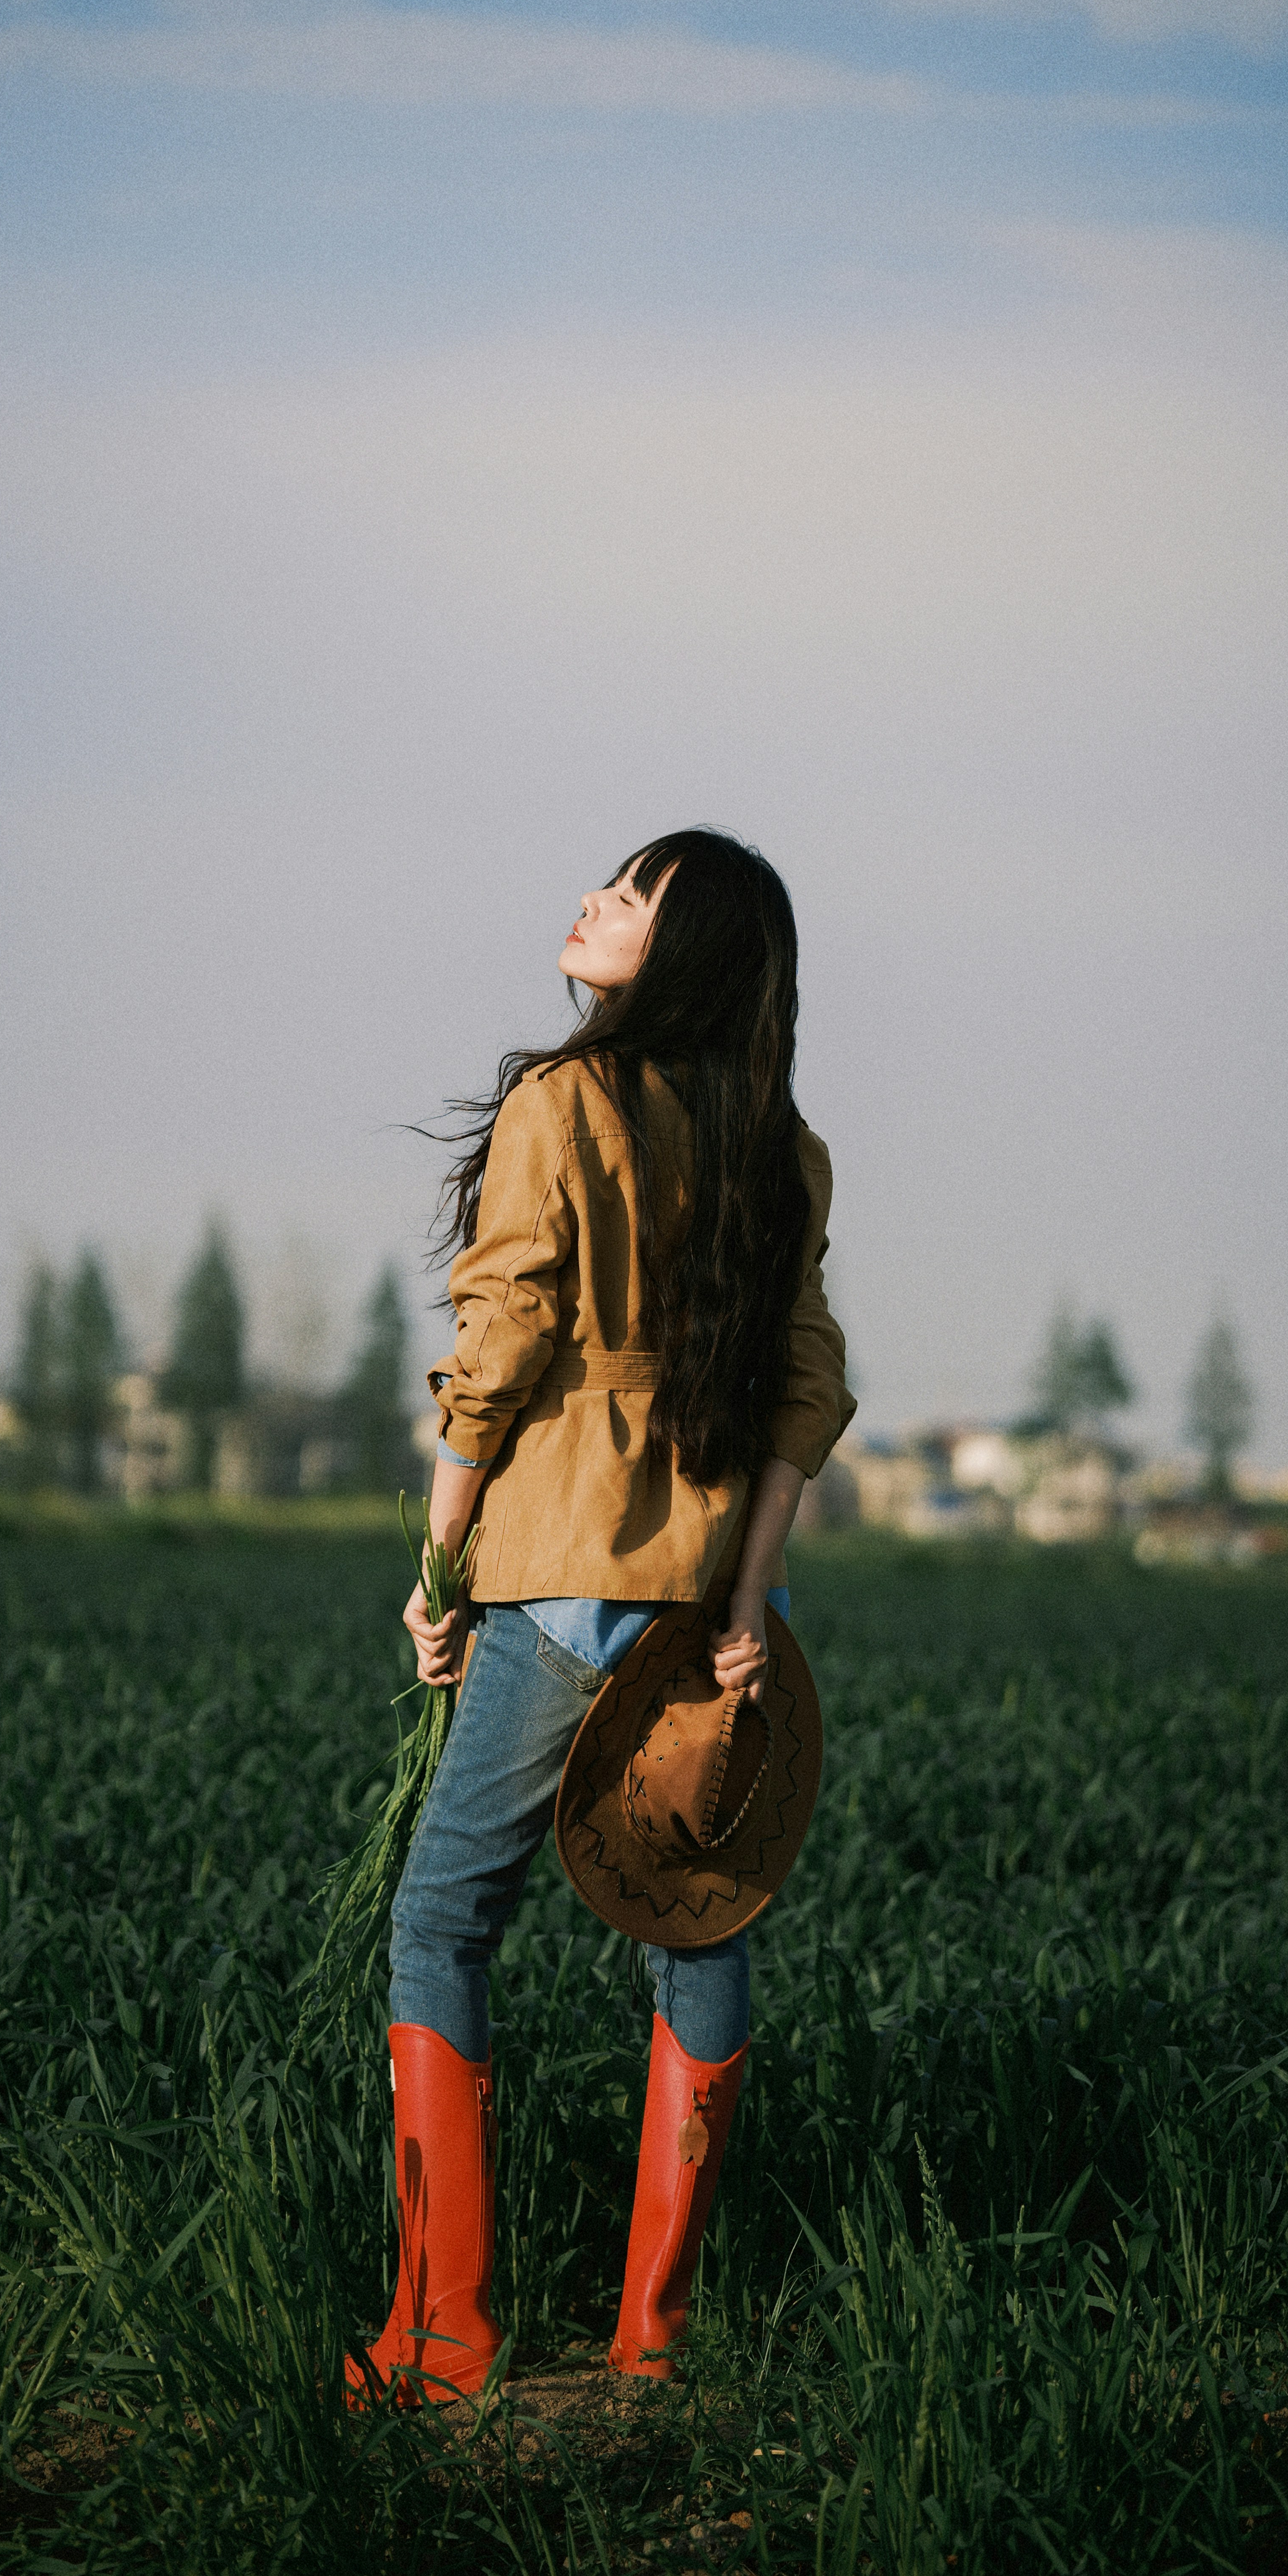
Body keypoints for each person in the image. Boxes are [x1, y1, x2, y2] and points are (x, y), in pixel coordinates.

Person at [350, 826, 854, 2404]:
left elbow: (502, 1342)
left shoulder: (560, 1107)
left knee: (442, 1921)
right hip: (707, 1603)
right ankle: (657, 2347)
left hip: (562, 1575)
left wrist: (441, 1559)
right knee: (695, 1921)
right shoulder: (784, 1149)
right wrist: (752, 1594)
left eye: (631, 895)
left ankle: (445, 2338)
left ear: (684, 946)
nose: (591, 901)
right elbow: (810, 1384)